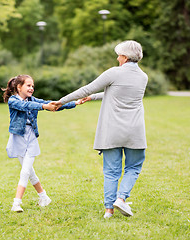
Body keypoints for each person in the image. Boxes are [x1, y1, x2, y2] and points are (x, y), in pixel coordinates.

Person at [53, 40, 148, 218]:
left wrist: (61, 101)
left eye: (119, 55)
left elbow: (86, 88)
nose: (117, 58)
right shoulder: (143, 77)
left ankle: (109, 210)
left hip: (112, 130)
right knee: (133, 167)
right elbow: (118, 93)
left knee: (111, 171)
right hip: (134, 130)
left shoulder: (114, 72)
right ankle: (121, 199)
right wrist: (93, 97)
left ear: (125, 57)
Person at [3, 74, 83, 212]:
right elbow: (26, 106)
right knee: (30, 172)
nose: (32, 88)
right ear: (19, 87)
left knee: (25, 171)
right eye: (28, 85)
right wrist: (44, 106)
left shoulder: (33, 100)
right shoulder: (13, 101)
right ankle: (44, 197)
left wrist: (74, 103)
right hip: (18, 138)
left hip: (31, 138)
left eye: (33, 86)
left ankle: (16, 203)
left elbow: (53, 103)